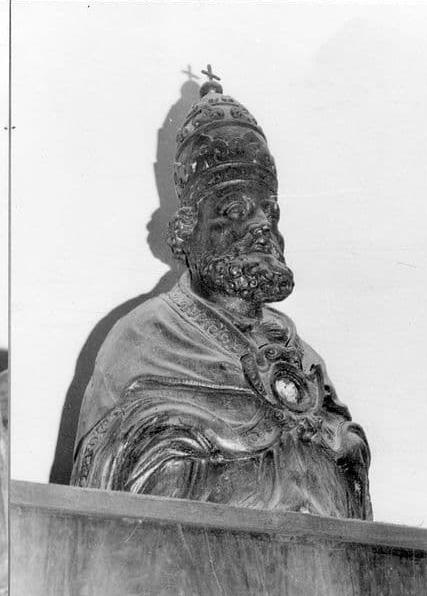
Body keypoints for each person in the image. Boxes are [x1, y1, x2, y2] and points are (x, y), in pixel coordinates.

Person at [71, 67, 372, 520]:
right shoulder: (142, 338)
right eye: (235, 211)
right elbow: (106, 485)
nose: (262, 226)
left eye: (270, 212)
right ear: (188, 232)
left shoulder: (306, 358)